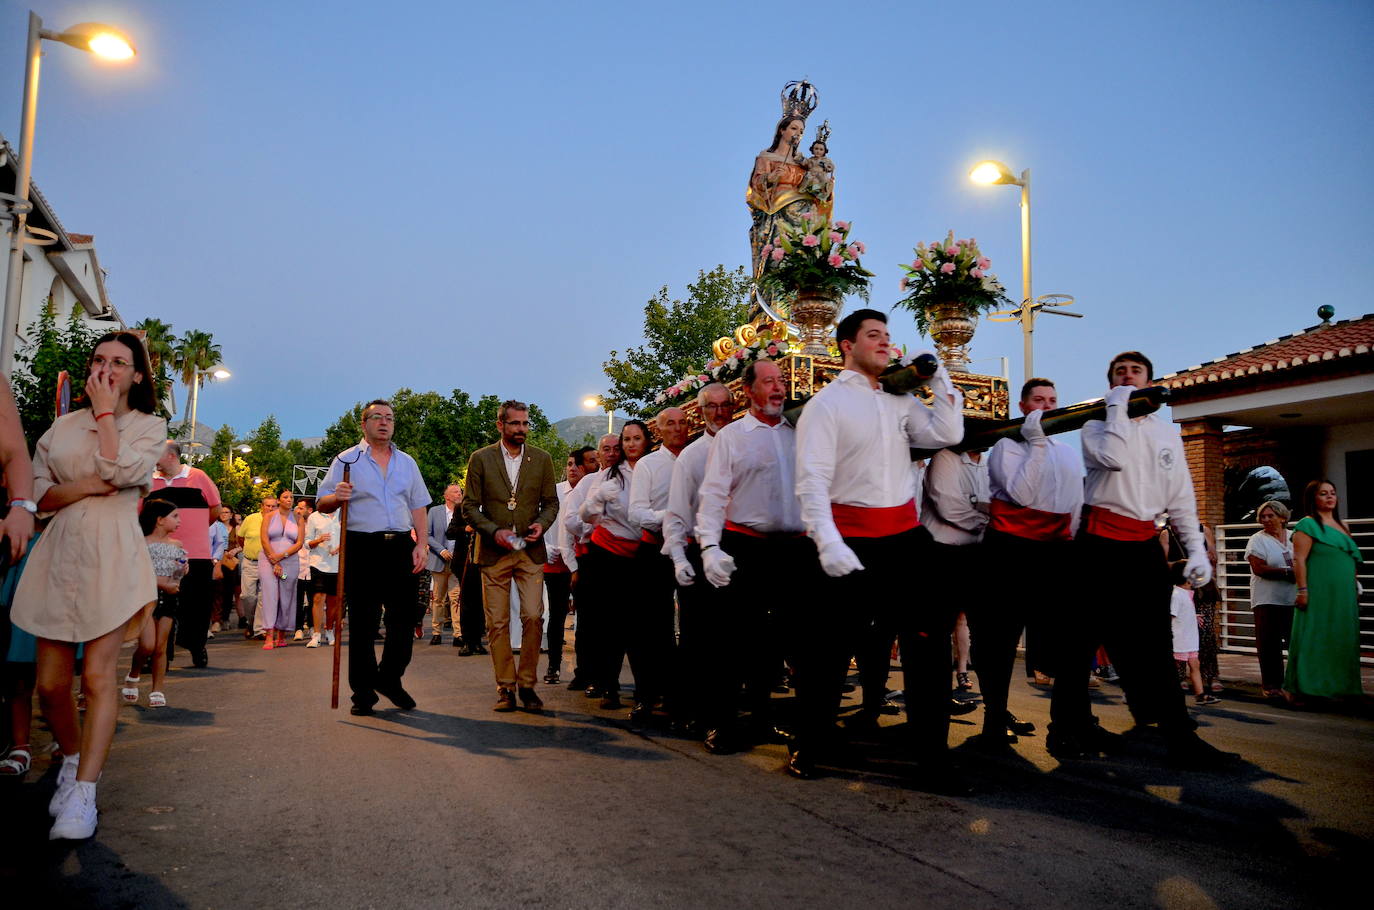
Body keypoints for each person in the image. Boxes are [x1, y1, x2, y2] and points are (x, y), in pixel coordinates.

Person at [793, 310, 963, 786]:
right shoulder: (826, 405)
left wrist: (940, 376)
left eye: (888, 336)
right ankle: (811, 743)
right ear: (847, 345)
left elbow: (947, 434)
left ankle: (933, 759)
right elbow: (811, 480)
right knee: (825, 652)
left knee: (929, 648)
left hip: (905, 541)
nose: (886, 343)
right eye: (874, 336)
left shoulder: (899, 401)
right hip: (847, 536)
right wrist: (826, 541)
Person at [10, 331, 166, 839]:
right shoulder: (59, 427)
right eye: (99, 360)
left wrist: (104, 417)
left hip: (114, 556)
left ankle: (84, 792)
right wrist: (88, 486)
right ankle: (73, 761)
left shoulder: (149, 425)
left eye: (120, 362)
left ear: (137, 375)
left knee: (98, 679)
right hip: (58, 555)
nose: (107, 369)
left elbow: (123, 470)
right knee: (51, 685)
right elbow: (36, 494)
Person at [1061, 351, 1236, 768]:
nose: (1127, 377)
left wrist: (1195, 549)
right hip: (1098, 544)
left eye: (1135, 373)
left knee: (1157, 646)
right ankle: (1067, 728)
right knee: (1080, 644)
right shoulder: (1095, 425)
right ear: (1109, 384)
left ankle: (1180, 737)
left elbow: (1180, 497)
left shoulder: (1166, 434)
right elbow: (1113, 457)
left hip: (1142, 545)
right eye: (1119, 373)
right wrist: (1118, 404)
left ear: (1149, 381)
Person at [695, 361, 808, 753]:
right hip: (746, 546)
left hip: (795, 550)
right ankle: (722, 724)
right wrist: (710, 547)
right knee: (735, 641)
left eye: (782, 381)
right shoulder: (732, 437)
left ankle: (764, 719)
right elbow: (712, 496)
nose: (778, 388)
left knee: (781, 643)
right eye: (769, 381)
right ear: (749, 391)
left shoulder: (802, 431)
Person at [975, 378, 1082, 750]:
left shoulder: (1067, 453)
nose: (1047, 406)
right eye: (1038, 400)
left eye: (1053, 400)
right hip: (1010, 549)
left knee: (1068, 640)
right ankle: (994, 715)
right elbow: (1020, 494)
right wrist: (1036, 444)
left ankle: (1067, 724)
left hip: (1054, 551)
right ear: (1023, 406)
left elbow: (1075, 505)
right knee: (999, 639)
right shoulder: (1005, 446)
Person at [317, 399, 430, 716]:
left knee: (404, 619)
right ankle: (363, 694)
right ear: (364, 423)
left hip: (400, 547)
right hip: (361, 545)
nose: (384, 422)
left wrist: (421, 544)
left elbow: (418, 505)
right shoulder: (347, 460)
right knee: (364, 623)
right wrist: (335, 497)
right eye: (377, 417)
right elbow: (321, 503)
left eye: (390, 417)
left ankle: (389, 678)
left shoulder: (407, 462)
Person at [461, 400, 559, 712]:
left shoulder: (541, 459)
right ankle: (505, 687)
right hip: (493, 553)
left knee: (533, 615)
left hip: (530, 552)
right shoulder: (481, 458)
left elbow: (551, 503)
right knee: (497, 623)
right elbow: (469, 506)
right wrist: (494, 531)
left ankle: (528, 685)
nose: (522, 429)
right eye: (515, 424)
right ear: (500, 425)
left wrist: (540, 526)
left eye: (525, 424)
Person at [662, 382, 734, 735]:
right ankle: (695, 712)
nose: (719, 413)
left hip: (739, 551)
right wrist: (679, 558)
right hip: (699, 551)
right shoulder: (692, 455)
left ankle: (733, 711)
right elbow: (676, 514)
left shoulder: (745, 443)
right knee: (699, 638)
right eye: (712, 407)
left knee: (738, 638)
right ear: (700, 412)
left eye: (725, 406)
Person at [578, 421, 649, 710]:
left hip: (643, 552)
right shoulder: (608, 474)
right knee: (609, 624)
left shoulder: (653, 468)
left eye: (636, 439)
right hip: (608, 553)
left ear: (647, 441)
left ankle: (647, 690)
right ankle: (609, 686)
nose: (631, 445)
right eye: (626, 440)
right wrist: (598, 501)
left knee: (641, 626)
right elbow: (585, 514)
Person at [626, 407, 689, 724]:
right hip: (655, 551)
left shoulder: (699, 457)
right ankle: (647, 696)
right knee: (650, 628)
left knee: (694, 628)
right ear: (659, 431)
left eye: (682, 423)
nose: (677, 429)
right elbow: (636, 513)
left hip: (694, 552)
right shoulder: (649, 465)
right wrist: (671, 517)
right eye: (670, 424)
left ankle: (686, 698)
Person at [1284, 480, 1364, 704]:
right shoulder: (1307, 525)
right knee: (1314, 636)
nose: (1330, 497)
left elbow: (1350, 558)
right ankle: (1302, 688)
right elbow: (1299, 559)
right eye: (1323, 494)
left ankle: (1340, 688)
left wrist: (1354, 585)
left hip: (1343, 592)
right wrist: (1303, 590)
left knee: (1341, 636)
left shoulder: (1343, 525)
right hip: (1317, 590)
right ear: (1313, 498)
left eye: (1332, 493)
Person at [148, 441, 222, 667]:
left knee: (197, 606)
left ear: (171, 455)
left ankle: (197, 647)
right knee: (160, 606)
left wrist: (196, 530)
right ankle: (160, 655)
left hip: (196, 554)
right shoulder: (150, 481)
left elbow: (215, 509)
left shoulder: (198, 477)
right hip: (160, 556)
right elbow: (142, 515)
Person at [560, 438, 612, 689]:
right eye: (604, 451)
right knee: (590, 620)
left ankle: (607, 678)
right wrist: (594, 527)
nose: (611, 454)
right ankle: (587, 673)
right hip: (590, 554)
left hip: (624, 556)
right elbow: (569, 522)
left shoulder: (632, 476)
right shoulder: (589, 483)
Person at [125, 500, 188, 707]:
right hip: (146, 597)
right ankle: (133, 674)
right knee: (147, 645)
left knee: (161, 646)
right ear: (160, 520)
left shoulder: (177, 545)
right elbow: (136, 573)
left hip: (169, 598)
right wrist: (163, 584)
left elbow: (180, 571)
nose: (179, 521)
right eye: (175, 516)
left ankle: (157, 689)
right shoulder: (141, 543)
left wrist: (181, 571)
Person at [544, 448, 595, 684]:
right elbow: (540, 521)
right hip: (556, 563)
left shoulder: (593, 490)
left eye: (577, 464)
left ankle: (584, 670)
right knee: (556, 615)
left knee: (586, 617)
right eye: (569, 464)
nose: (572, 468)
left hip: (585, 561)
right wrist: (546, 547)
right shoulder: (554, 491)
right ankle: (553, 666)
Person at [1244, 499, 1297, 698]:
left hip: (1293, 598)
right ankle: (1271, 685)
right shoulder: (1257, 540)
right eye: (1262, 517)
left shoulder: (1295, 537)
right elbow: (1259, 568)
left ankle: (1295, 684)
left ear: (1282, 517)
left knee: (1296, 642)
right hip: (1267, 599)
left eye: (1270, 516)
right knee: (1269, 644)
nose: (1265, 520)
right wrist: (1287, 572)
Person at [258, 489, 303, 650]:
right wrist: (274, 559)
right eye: (285, 497)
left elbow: (299, 543)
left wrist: (282, 556)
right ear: (279, 500)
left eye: (291, 497)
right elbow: (264, 539)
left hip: (289, 563)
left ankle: (282, 634)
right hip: (268, 562)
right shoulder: (269, 517)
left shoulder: (298, 518)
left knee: (286, 595)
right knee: (270, 595)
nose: (289, 499)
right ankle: (269, 634)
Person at [1169, 563, 1216, 706]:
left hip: (1189, 640)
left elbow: (1180, 614)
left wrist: (1192, 616)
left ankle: (1200, 695)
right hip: (1179, 640)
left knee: (1195, 665)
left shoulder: (1186, 594)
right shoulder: (1176, 595)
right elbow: (1171, 615)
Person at [425, 484, 463, 645]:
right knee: (439, 599)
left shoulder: (464, 512)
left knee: (456, 598)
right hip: (439, 561)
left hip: (457, 562)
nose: (459, 494)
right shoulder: (434, 511)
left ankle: (458, 634)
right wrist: (441, 550)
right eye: (455, 492)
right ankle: (436, 632)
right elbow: (427, 535)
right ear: (446, 496)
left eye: (460, 492)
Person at [304, 499, 342, 648]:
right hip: (318, 562)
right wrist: (318, 540)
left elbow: (350, 536)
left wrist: (340, 547)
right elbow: (307, 542)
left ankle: (330, 630)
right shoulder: (314, 516)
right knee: (318, 597)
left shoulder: (343, 514)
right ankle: (316, 634)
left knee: (333, 600)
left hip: (338, 563)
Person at [237, 495, 273, 637]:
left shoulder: (277, 520)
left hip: (268, 563)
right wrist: (248, 550)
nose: (270, 508)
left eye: (273, 506)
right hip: (250, 561)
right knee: (247, 596)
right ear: (261, 506)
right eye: (267, 505)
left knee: (263, 596)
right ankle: (250, 623)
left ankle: (259, 630)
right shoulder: (251, 519)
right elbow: (241, 537)